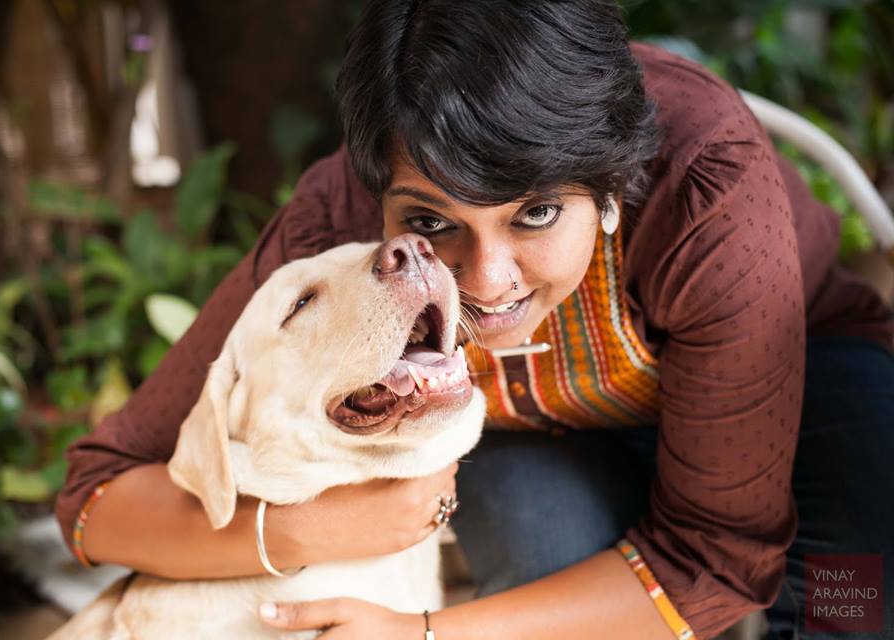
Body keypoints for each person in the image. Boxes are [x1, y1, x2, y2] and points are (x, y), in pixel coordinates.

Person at [56, 1, 894, 638]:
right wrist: (315, 528)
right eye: (428, 223)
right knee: (552, 574)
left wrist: (424, 634)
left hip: (806, 386)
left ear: (607, 191)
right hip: (541, 433)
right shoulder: (344, 230)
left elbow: (713, 560)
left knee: (856, 597)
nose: (484, 282)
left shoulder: (707, 189)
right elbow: (98, 492)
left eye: (533, 216)